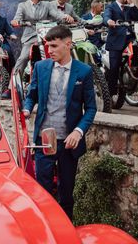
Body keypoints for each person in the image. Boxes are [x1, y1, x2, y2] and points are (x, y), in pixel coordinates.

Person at [22, 25, 97, 219]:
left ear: (68, 44)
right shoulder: (40, 67)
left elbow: (90, 108)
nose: (50, 50)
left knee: (66, 193)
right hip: (44, 140)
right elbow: (32, 95)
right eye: (48, 46)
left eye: (54, 46)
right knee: (43, 191)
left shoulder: (84, 72)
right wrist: (27, 108)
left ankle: (65, 231)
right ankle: (45, 228)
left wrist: (78, 132)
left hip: (68, 143)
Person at [11, 0, 74, 90]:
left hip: (46, 36)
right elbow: (17, 18)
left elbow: (57, 14)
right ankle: (11, 87)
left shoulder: (47, 4)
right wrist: (15, 22)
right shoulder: (23, 5)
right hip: (30, 38)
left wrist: (65, 16)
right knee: (24, 57)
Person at [104, 0, 138, 96]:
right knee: (114, 67)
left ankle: (135, 73)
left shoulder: (129, 7)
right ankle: (111, 94)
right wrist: (109, 21)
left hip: (130, 38)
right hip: (116, 40)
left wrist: (132, 5)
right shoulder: (111, 7)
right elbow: (106, 16)